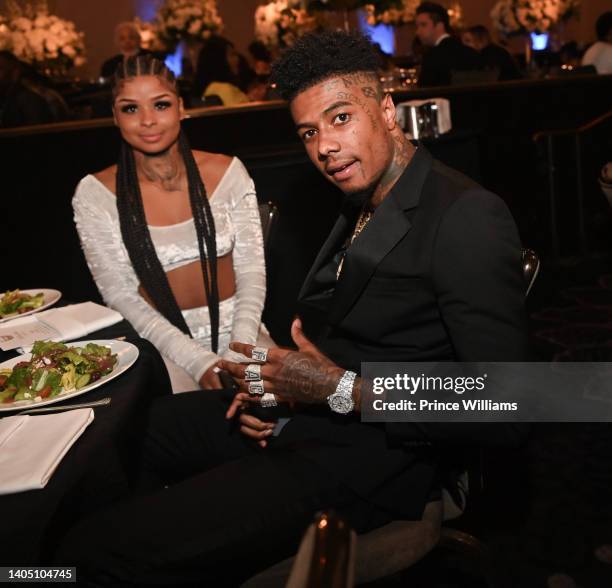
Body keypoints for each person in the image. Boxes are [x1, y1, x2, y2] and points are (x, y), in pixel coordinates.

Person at [57, 32, 528, 585]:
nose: (325, 146)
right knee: (121, 434)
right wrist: (282, 389)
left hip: (376, 461)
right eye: (309, 131)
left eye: (340, 118)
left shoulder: (465, 214)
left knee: (92, 552)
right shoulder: (364, 199)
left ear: (386, 111)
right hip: (312, 420)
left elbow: (510, 400)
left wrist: (339, 389)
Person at [72, 55, 268, 393]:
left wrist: (241, 353)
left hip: (245, 329)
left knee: (268, 406)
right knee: (192, 428)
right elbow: (121, 296)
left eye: (160, 105)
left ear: (180, 107)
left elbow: (252, 272)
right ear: (115, 117)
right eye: (131, 108)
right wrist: (197, 361)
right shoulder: (94, 194)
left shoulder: (228, 172)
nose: (147, 120)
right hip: (163, 343)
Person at [415, 1, 481, 87]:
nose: (418, 32)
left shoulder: (433, 56)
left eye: (423, 25)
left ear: (439, 26)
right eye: (417, 26)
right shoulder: (471, 52)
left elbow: (423, 92)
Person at [0, 51, 55, 127]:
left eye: (0, 69)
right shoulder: (6, 100)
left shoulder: (29, 101)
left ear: (15, 73)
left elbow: (38, 134)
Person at [194, 36, 250, 106]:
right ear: (219, 61)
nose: (237, 59)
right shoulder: (225, 90)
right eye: (232, 55)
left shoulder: (212, 87)